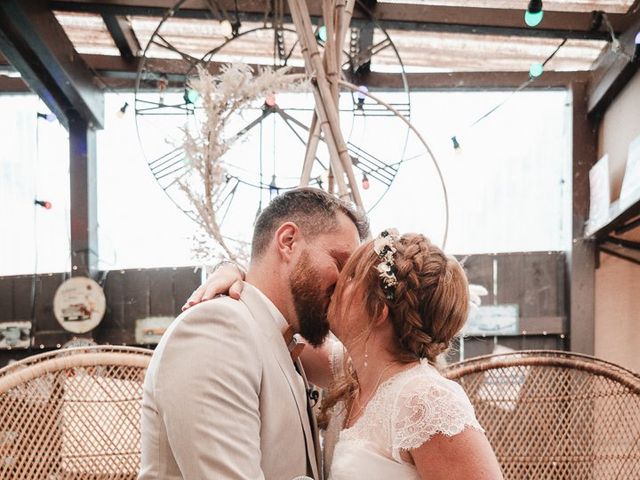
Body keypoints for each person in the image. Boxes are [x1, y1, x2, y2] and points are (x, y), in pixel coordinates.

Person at [189, 230, 504, 479]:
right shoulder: (350, 372)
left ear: (378, 311)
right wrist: (234, 272)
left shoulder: (426, 400)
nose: (336, 282)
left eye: (350, 275)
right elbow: (274, 319)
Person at [138, 187, 369, 480]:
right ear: (288, 242)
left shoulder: (278, 334)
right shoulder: (216, 331)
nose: (345, 287)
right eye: (339, 263)